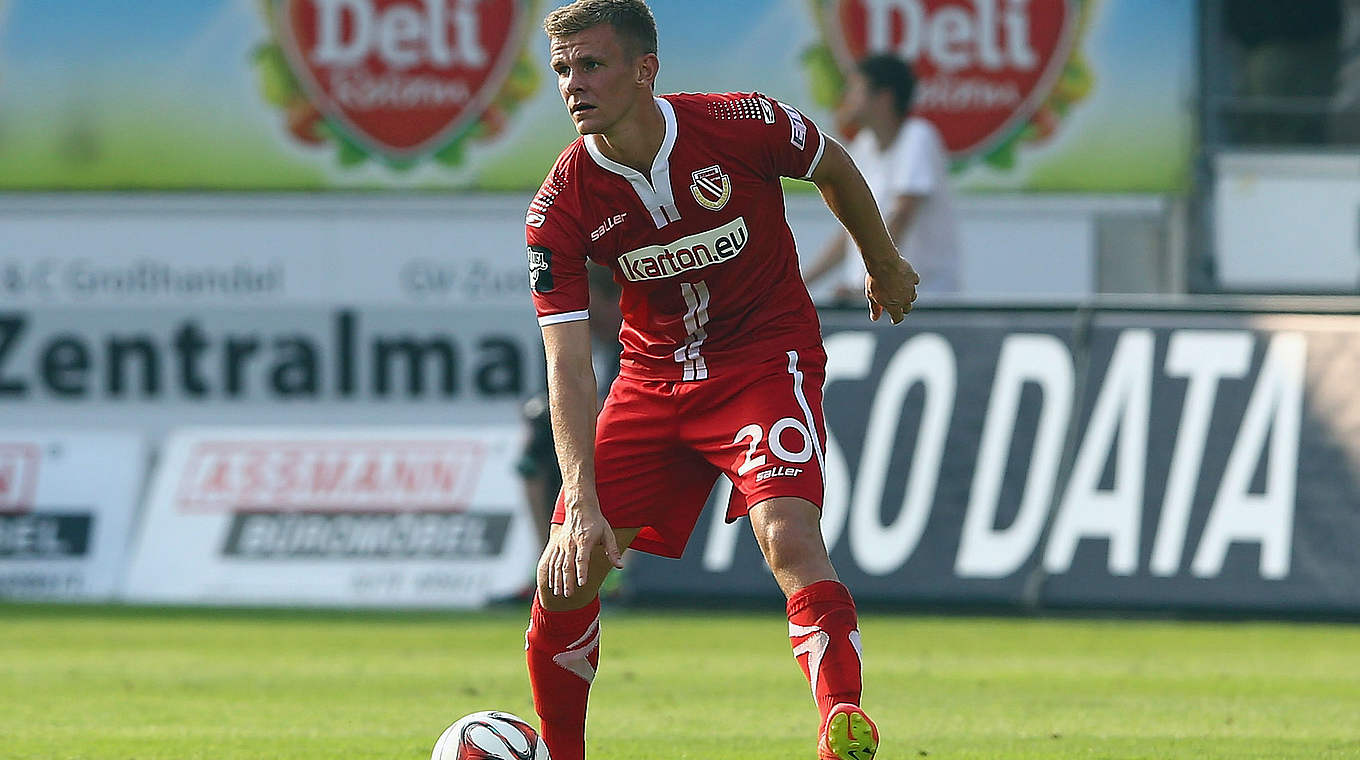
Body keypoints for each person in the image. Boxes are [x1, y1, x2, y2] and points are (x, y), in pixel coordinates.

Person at [521, 2, 918, 759]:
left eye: (593, 65)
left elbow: (832, 164)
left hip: (764, 360)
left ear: (645, 70)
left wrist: (883, 262)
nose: (574, 85)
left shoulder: (740, 123)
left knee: (789, 535)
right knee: (565, 576)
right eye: (563, 70)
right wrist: (580, 504)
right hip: (650, 378)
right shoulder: (558, 207)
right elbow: (568, 365)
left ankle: (842, 725)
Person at [803, 54, 960, 299]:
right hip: (876, 298)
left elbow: (901, 215)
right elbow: (854, 229)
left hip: (925, 300)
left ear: (883, 98)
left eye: (855, 90)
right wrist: (801, 285)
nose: (846, 99)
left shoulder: (918, 137)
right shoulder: (863, 147)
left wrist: (875, 279)